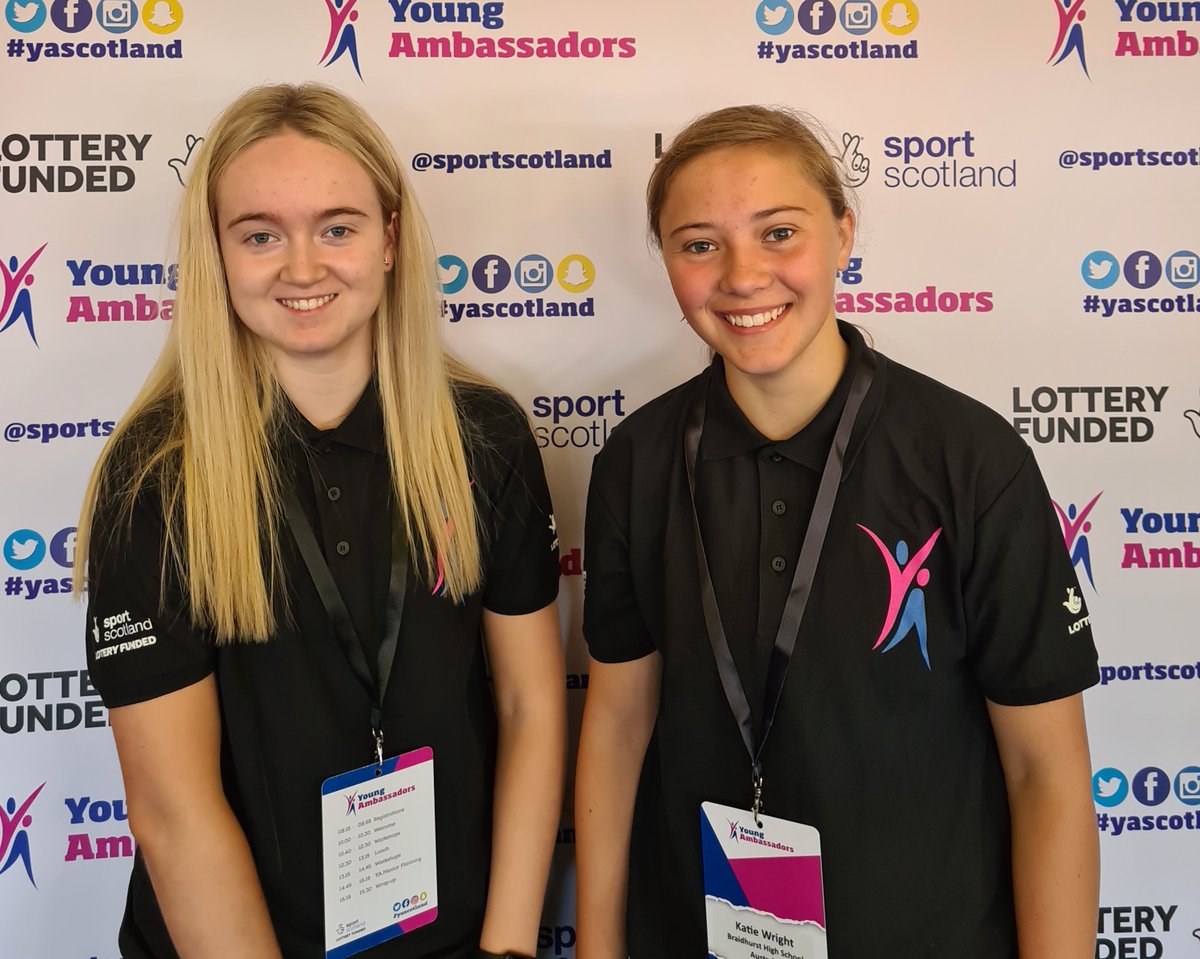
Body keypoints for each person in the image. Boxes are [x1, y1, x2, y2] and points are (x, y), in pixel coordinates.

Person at [574, 105, 1100, 959]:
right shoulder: (637, 457)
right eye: (699, 243)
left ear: (844, 233)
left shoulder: (969, 457)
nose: (744, 275)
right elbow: (619, 723)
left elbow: (1047, 773)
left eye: (779, 232)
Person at [76, 83, 565, 959]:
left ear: (390, 241)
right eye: (260, 234)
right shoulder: (155, 475)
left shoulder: (484, 437)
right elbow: (170, 807)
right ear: (217, 256)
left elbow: (532, 704)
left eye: (337, 226)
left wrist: (505, 950)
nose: (302, 267)